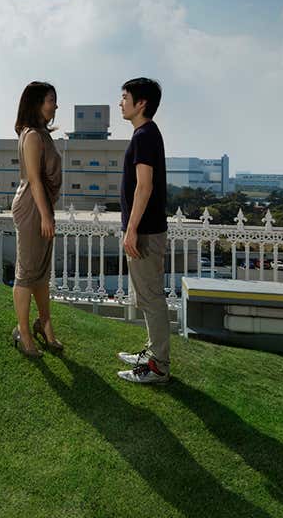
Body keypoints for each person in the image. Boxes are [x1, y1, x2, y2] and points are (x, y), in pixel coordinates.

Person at [116, 77, 171, 384]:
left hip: (146, 231)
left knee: (151, 298)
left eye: (125, 97)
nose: (120, 103)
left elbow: (144, 186)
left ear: (141, 104)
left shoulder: (144, 136)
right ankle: (153, 354)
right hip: (145, 229)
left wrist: (132, 229)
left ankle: (158, 366)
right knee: (147, 296)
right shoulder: (145, 134)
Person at [10, 82, 64, 357]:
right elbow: (33, 180)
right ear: (36, 103)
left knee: (41, 273)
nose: (55, 105)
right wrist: (45, 215)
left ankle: (45, 326)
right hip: (33, 207)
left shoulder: (44, 134)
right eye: (51, 100)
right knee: (27, 273)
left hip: (42, 206)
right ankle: (23, 333)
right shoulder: (31, 136)